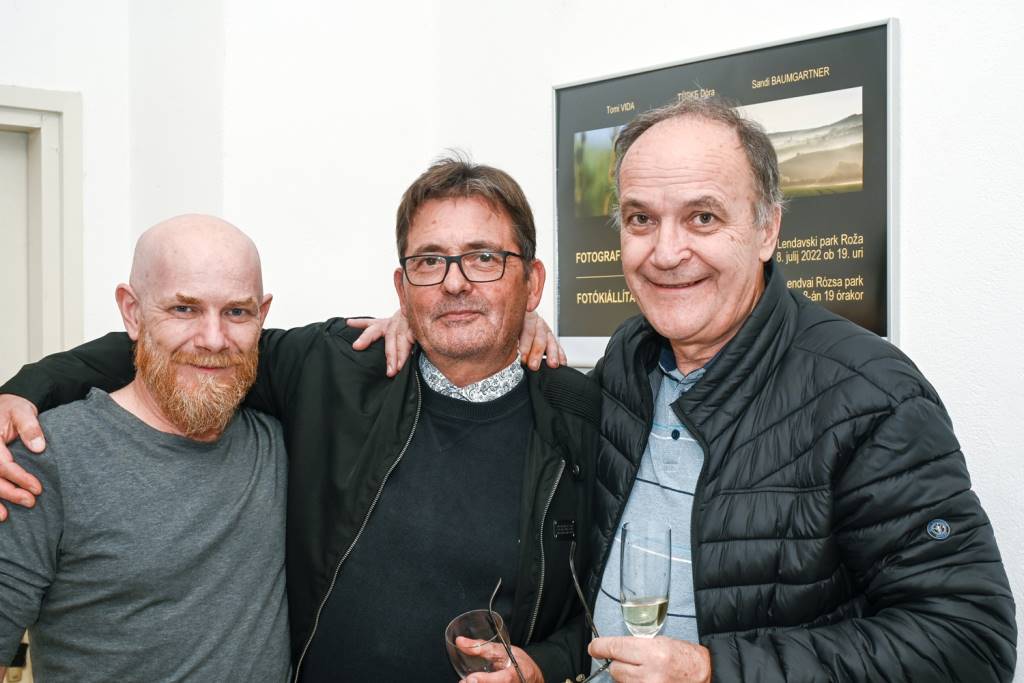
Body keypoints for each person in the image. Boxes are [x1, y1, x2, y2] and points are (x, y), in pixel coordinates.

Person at [0, 158, 600, 683]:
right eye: (429, 261)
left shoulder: (582, 419)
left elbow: (608, 600)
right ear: (402, 287)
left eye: (484, 259)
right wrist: (23, 391)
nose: (455, 282)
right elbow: (186, 351)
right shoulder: (334, 370)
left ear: (532, 282)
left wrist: (545, 663)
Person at [580, 98, 1017, 681]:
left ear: (767, 231)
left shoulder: (870, 396)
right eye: (640, 219)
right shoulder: (626, 361)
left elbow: (969, 640)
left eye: (703, 218)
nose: (665, 252)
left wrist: (713, 671)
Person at [0, 215, 290, 681]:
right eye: (184, 309)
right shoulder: (41, 458)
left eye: (237, 312)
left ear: (263, 316)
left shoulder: (282, 441)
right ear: (132, 312)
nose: (213, 339)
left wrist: (404, 323)